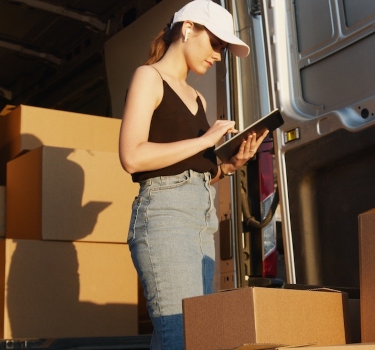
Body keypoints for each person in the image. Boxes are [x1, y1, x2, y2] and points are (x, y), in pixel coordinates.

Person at [117, 1, 267, 348]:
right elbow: (132, 156)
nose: (218, 55)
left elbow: (190, 170)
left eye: (224, 49)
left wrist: (228, 165)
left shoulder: (198, 98)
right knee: (180, 337)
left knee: (197, 335)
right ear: (187, 29)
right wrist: (208, 138)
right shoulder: (149, 76)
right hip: (164, 215)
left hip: (201, 218)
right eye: (216, 44)